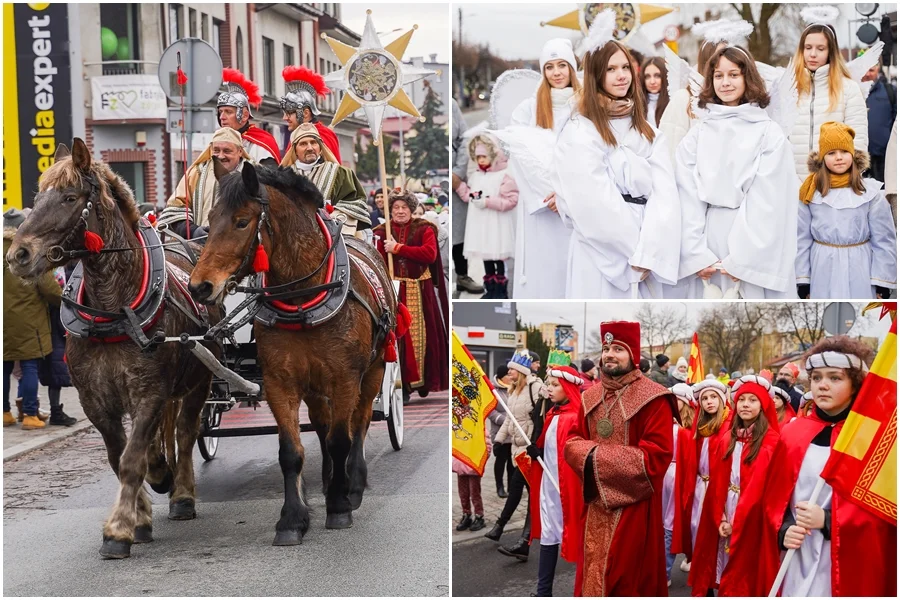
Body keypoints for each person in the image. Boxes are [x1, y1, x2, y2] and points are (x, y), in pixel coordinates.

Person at [720, 337, 896, 597]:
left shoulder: (871, 438)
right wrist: (782, 530)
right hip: (796, 555)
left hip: (846, 562)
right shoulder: (793, 434)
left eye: (835, 378)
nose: (823, 385)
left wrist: (828, 520)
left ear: (855, 384)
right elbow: (772, 500)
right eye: (816, 378)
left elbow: (882, 511)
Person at [553, 16, 681, 299]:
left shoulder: (647, 131)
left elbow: (665, 194)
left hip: (647, 252)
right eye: (611, 69)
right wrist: (633, 249)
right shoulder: (579, 130)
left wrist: (650, 251)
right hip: (600, 253)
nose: (621, 75)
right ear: (596, 75)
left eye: (625, 67)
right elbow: (591, 200)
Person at [563, 320, 678, 595]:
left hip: (634, 509)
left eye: (618, 348)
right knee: (593, 570)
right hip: (594, 507)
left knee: (626, 579)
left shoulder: (654, 398)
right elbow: (572, 442)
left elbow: (656, 457)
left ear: (633, 356)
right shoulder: (589, 396)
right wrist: (587, 454)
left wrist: (593, 456)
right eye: (606, 348)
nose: (609, 354)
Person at [675, 45, 799, 299]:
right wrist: (696, 253)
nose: (725, 82)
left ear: (747, 77)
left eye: (733, 75)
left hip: (752, 240)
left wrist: (744, 259)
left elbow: (769, 200)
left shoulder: (768, 132)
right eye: (718, 76)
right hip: (708, 236)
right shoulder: (699, 132)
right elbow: (685, 192)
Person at [691, 375, 780, 596]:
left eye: (752, 400)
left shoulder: (771, 442)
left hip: (751, 515)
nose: (746, 405)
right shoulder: (727, 438)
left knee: (744, 569)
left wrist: (735, 522)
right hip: (724, 508)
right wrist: (720, 516)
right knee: (719, 561)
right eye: (742, 400)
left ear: (763, 406)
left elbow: (761, 489)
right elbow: (718, 482)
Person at [506, 38, 580, 299]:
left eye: (562, 65)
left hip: (575, 204)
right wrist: (548, 194)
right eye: (549, 67)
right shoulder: (528, 109)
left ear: (572, 67)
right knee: (544, 270)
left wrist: (566, 194)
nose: (556, 72)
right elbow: (522, 156)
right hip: (542, 205)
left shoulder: (586, 105)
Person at [796, 121, 896, 299]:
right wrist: (803, 279)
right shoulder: (810, 192)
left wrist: (882, 282)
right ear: (822, 158)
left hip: (860, 266)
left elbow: (883, 239)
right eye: (831, 153)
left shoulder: (870, 194)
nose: (839, 157)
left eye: (844, 152)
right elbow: (801, 238)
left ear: (853, 154)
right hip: (822, 265)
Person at [373, 191, 449, 397]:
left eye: (403, 207)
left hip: (419, 289)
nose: (399, 211)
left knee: (424, 337)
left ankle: (423, 382)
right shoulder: (380, 232)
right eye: (395, 208)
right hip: (394, 290)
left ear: (411, 209)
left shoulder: (425, 228)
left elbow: (429, 254)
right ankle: (403, 385)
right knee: (397, 336)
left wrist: (398, 248)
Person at [525, 365, 587, 597]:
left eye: (554, 385)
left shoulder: (573, 419)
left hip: (568, 490)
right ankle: (543, 592)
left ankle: (583, 590)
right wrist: (537, 451)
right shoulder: (553, 414)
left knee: (578, 539)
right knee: (549, 536)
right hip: (550, 488)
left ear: (568, 388)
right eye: (548, 384)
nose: (549, 389)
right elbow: (550, 450)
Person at [3, 209, 62, 430]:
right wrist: (65, 301)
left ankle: (5, 413)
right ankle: (29, 414)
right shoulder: (27, 252)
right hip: (28, 320)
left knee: (4, 368)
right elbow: (48, 288)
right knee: (29, 367)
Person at [485, 351, 545, 562]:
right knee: (523, 492)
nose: (508, 371)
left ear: (520, 371)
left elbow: (541, 416)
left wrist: (536, 442)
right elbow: (511, 422)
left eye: (511, 369)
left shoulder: (534, 387)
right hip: (517, 450)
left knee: (522, 491)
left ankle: (518, 537)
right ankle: (508, 533)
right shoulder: (513, 391)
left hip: (531, 450)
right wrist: (499, 440)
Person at [789, 20, 868, 180]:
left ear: (830, 52)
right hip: (791, 184)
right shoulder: (788, 88)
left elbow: (858, 140)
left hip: (833, 186)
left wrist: (843, 181)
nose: (813, 54)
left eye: (821, 48)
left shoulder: (848, 88)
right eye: (808, 47)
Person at [671, 379, 732, 576]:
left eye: (714, 397)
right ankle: (701, 571)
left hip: (718, 487)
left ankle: (716, 574)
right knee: (696, 527)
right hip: (700, 485)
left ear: (722, 400)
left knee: (717, 534)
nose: (709, 401)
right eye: (705, 398)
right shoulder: (700, 428)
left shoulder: (728, 427)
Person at [456, 134, 519, 299]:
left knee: (498, 257)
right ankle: (490, 289)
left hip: (496, 224)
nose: (481, 160)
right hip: (480, 226)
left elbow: (511, 200)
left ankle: (501, 290)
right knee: (486, 257)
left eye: (484, 156)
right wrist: (460, 188)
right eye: (478, 157)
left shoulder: (503, 175)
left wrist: (487, 202)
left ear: (493, 155)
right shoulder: (476, 176)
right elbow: (469, 195)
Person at [158, 127, 251, 238]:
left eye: (227, 151)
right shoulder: (196, 173)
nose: (221, 156)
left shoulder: (253, 174)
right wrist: (193, 231)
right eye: (216, 150)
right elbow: (175, 210)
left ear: (240, 151)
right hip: (199, 250)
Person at [281, 123, 371, 235]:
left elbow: (356, 202)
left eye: (313, 142)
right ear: (294, 150)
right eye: (303, 144)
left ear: (320, 147)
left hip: (332, 237)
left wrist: (333, 216)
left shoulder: (341, 173)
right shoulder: (283, 178)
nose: (310, 148)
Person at [451, 99, 484, 296]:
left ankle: (462, 275)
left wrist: (458, 172)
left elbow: (464, 139)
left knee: (460, 231)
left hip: (458, 177)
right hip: (445, 179)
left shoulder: (453, 104)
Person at [37, 267, 77, 426]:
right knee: (55, 374)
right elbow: (56, 296)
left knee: (53, 374)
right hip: (56, 328)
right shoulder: (52, 274)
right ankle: (54, 411)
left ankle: (43, 410)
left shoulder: (60, 272)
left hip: (51, 327)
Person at [664, 383, 695, 587]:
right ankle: (665, 570)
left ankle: (668, 569)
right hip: (669, 478)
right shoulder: (673, 428)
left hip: (677, 477)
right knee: (669, 523)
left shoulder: (686, 430)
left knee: (672, 522)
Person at [218, 68, 282, 163]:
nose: (222, 117)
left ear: (244, 115)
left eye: (228, 112)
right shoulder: (216, 143)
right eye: (220, 112)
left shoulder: (260, 145)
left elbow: (270, 176)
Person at [281, 65, 342, 163]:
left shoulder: (322, 136)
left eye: (289, 113)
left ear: (305, 113)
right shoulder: (297, 135)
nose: (285, 118)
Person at [862, 59, 896, 183]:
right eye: (864, 70)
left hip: (883, 155)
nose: (867, 74)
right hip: (859, 155)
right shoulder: (852, 91)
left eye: (871, 70)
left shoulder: (890, 91)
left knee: (882, 192)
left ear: (878, 69)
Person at [454, 428, 489, 533]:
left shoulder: (478, 425)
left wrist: (481, 459)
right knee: (463, 492)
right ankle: (466, 514)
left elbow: (486, 443)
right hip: (461, 462)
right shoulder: (458, 426)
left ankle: (479, 516)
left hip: (473, 463)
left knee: (475, 492)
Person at [490, 365, 514, 498]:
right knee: (501, 460)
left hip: (514, 431)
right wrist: (503, 420)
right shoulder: (494, 391)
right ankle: (499, 486)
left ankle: (512, 486)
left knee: (512, 461)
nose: (511, 377)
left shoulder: (514, 388)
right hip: (500, 431)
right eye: (508, 375)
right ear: (501, 377)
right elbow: (490, 411)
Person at [641, 56, 669, 126]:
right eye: (647, 77)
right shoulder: (638, 104)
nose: (652, 81)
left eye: (657, 76)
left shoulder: (673, 102)